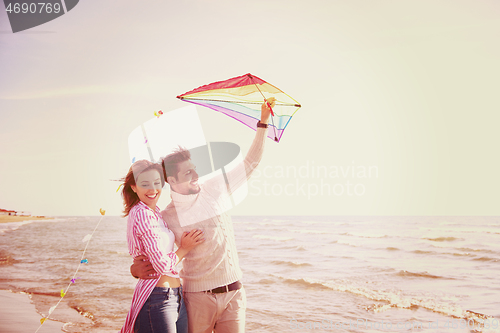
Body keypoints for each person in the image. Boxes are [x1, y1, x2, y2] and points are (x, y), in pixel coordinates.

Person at [131, 98, 275, 333]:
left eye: (195, 168)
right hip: (197, 298)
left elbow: (251, 163)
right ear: (172, 181)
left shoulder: (215, 187)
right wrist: (134, 269)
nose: (196, 174)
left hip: (234, 293)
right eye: (189, 172)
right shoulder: (166, 217)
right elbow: (153, 257)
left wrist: (263, 123)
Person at [120, 160, 205, 333]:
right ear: (134, 187)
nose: (153, 189)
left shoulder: (155, 213)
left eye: (157, 183)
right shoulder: (142, 214)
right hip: (157, 298)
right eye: (145, 184)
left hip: (175, 296)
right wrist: (184, 248)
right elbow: (161, 265)